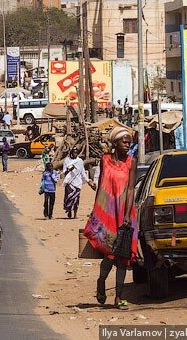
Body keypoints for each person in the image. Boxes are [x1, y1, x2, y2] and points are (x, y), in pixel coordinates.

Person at [83, 127, 139, 310]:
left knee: (122, 256)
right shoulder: (105, 160)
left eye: (129, 141)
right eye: (124, 140)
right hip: (107, 210)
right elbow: (101, 186)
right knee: (109, 253)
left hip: (125, 211)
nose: (128, 143)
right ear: (115, 143)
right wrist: (95, 210)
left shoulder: (132, 162)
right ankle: (101, 282)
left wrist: (127, 214)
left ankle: (118, 297)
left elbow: (130, 189)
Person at [62, 147, 94, 219]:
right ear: (71, 153)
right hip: (70, 182)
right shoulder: (67, 160)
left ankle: (75, 214)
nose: (75, 154)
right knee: (69, 197)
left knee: (76, 199)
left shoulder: (80, 161)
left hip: (78, 183)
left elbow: (83, 172)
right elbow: (64, 171)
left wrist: (88, 180)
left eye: (76, 153)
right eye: (74, 153)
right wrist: (69, 170)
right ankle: (69, 211)